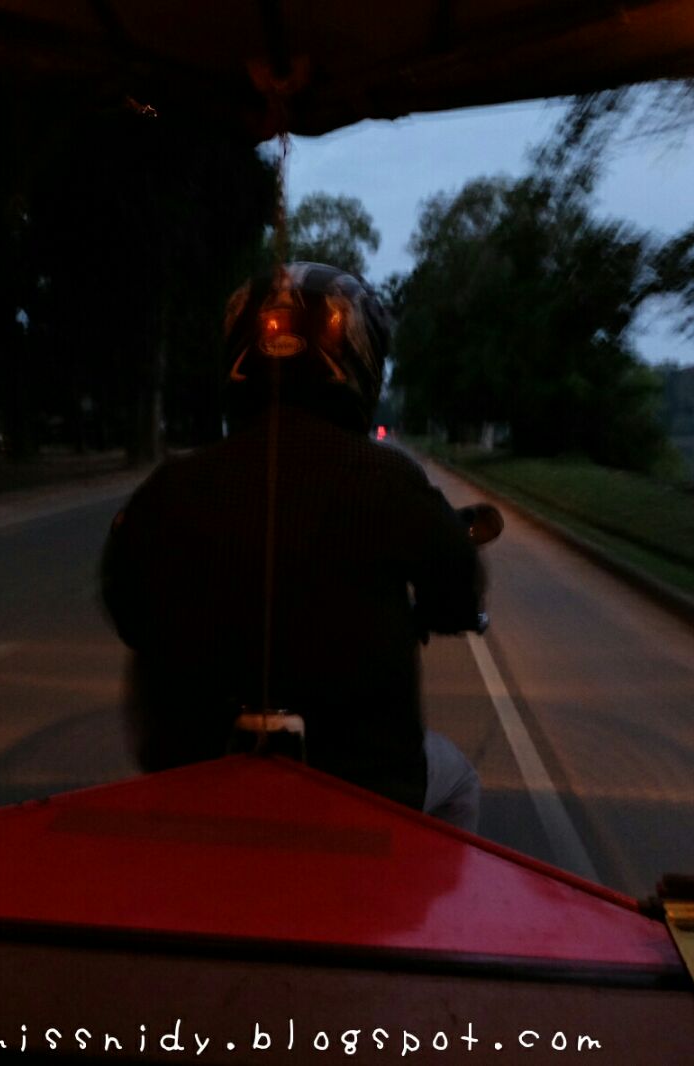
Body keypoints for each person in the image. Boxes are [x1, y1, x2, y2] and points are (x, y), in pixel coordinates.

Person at [100, 261, 486, 829]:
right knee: (460, 785)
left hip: (188, 773)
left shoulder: (168, 486)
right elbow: (458, 594)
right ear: (358, 359)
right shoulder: (388, 480)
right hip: (367, 781)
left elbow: (127, 611)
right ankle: (424, 914)